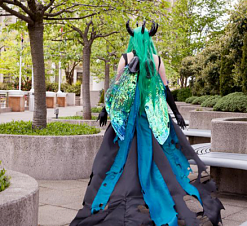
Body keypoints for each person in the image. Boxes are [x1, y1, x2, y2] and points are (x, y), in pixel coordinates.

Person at [70, 21, 224, 226]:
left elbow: (116, 90)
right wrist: (176, 113)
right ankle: (145, 193)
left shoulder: (126, 58)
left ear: (132, 40)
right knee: (155, 159)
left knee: (116, 158)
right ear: (150, 40)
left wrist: (105, 110)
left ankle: (126, 193)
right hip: (152, 118)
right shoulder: (157, 60)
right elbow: (164, 90)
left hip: (135, 119)